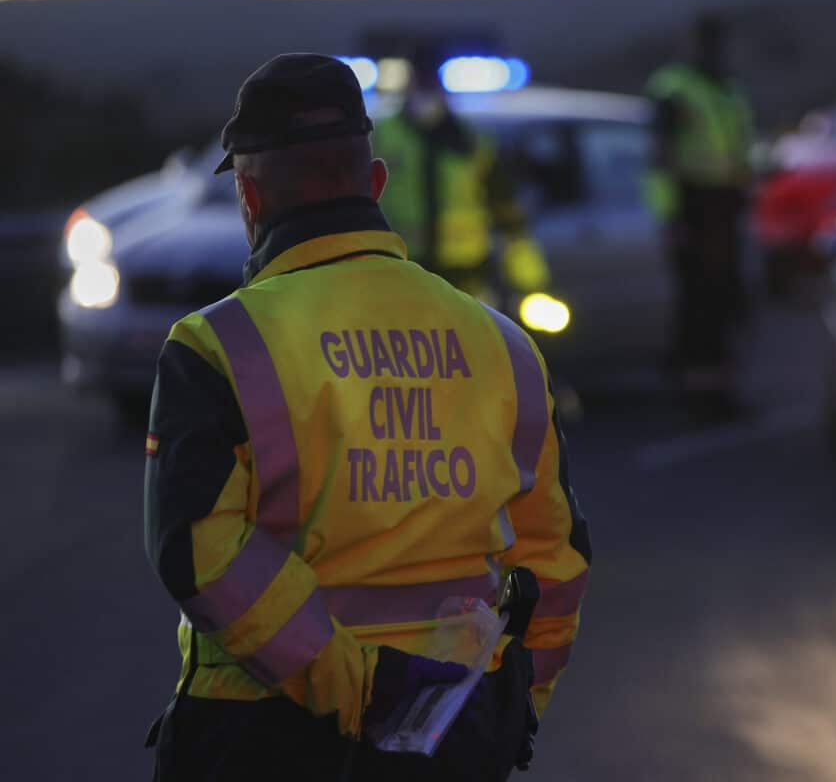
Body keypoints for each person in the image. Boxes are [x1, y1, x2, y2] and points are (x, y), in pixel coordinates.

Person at [142, 53, 591, 781]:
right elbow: (555, 557)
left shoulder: (217, 346)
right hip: (456, 729)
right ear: (377, 183)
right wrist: (514, 703)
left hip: (261, 735)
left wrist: (357, 690)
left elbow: (198, 550)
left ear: (249, 199)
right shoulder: (504, 346)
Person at [371, 46, 550, 308]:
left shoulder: (472, 141)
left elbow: (507, 213)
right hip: (400, 273)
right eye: (419, 80)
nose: (425, 89)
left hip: (466, 275)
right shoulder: (381, 136)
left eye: (431, 80)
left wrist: (530, 281)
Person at [646, 14, 755, 417]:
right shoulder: (674, 91)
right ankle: (697, 394)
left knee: (726, 299)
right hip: (695, 208)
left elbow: (739, 149)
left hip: (726, 207)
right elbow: (660, 161)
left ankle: (719, 389)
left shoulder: (727, 90)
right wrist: (672, 217)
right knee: (700, 304)